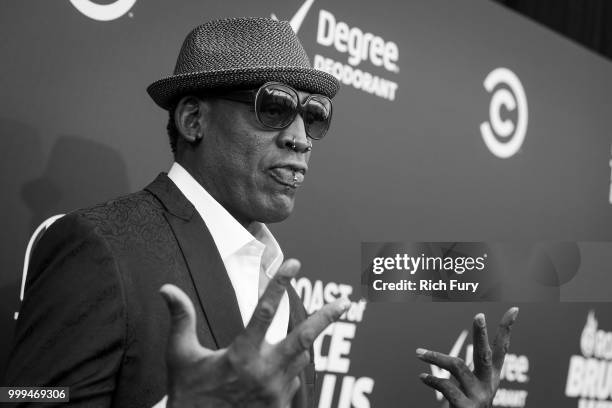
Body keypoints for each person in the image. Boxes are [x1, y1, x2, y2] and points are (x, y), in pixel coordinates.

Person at [4, 17, 518, 408]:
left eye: (314, 116)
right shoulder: (99, 246)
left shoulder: (284, 296)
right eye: (272, 108)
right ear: (192, 119)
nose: (299, 137)